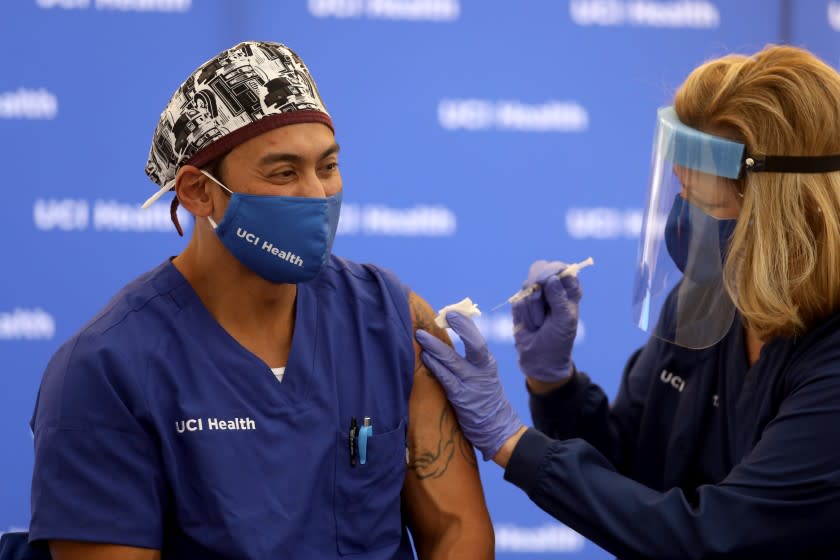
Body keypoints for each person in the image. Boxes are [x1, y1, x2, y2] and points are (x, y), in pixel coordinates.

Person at [28, 41, 494, 560]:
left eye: (328, 166)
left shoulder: (389, 319)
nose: (318, 195)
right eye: (284, 173)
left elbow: (458, 533)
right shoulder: (106, 371)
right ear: (198, 192)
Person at [416, 44, 840, 559]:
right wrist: (555, 386)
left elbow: (715, 537)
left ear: (780, 216)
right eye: (680, 196)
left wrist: (511, 441)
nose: (684, 224)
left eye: (705, 206)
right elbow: (629, 472)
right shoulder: (705, 302)